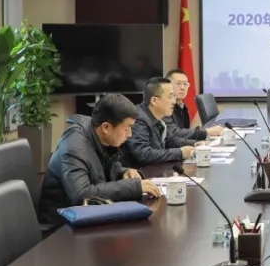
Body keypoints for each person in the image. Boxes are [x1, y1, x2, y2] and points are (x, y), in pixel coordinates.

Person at [40, 94, 163, 224]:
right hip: (60, 225)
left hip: (88, 217)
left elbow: (101, 168)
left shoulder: (98, 134)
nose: (130, 134)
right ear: (106, 127)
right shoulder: (75, 148)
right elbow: (82, 195)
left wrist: (122, 172)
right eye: (127, 128)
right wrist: (134, 187)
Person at [121, 77, 197, 168]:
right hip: (141, 173)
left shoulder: (157, 115)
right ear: (154, 101)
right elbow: (144, 154)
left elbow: (169, 140)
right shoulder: (138, 119)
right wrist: (180, 153)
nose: (173, 102)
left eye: (173, 96)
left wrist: (195, 144)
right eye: (170, 97)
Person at [165, 68, 222, 142]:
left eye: (185, 84)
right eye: (178, 83)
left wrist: (197, 143)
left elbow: (183, 135)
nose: (182, 88)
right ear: (167, 86)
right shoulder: (164, 107)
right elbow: (174, 133)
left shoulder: (183, 107)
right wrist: (206, 132)